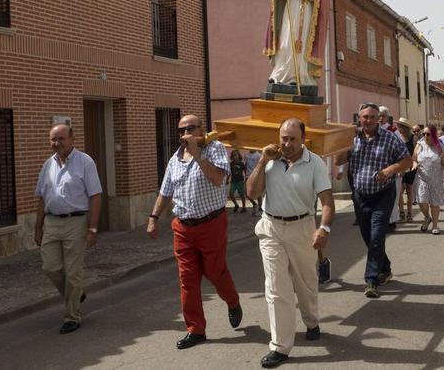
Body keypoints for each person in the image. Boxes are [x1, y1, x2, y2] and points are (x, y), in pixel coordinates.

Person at [147, 114, 242, 350]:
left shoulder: (215, 148)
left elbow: (219, 179)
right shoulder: (174, 159)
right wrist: (153, 218)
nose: (185, 134)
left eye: (190, 128)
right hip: (183, 227)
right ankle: (195, 330)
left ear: (201, 130)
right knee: (187, 280)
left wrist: (198, 154)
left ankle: (232, 302)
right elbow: (165, 192)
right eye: (181, 130)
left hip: (211, 223)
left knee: (215, 272)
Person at [247, 119, 334, 368]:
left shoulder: (314, 162)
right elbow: (252, 193)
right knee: (276, 288)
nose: (286, 143)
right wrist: (263, 160)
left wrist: (324, 228)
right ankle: (280, 347)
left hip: (302, 227)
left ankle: (311, 321)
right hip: (271, 227)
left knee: (306, 283)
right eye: (283, 138)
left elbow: (327, 201)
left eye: (292, 139)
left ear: (303, 139)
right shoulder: (270, 161)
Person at [335, 103, 412, 298]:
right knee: (369, 238)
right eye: (364, 117)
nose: (368, 120)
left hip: (383, 195)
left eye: (372, 117)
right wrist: (345, 142)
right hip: (360, 196)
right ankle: (385, 268)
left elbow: (408, 161)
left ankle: (371, 280)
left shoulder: (389, 139)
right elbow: (337, 161)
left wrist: (389, 170)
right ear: (359, 119)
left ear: (379, 119)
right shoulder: (353, 138)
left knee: (377, 236)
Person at [34, 123, 102, 334]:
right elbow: (41, 197)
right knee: (50, 267)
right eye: (53, 139)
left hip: (76, 222)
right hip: (52, 222)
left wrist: (92, 229)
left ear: (72, 139)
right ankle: (75, 293)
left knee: (73, 272)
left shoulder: (85, 162)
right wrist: (38, 227)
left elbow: (95, 196)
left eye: (61, 138)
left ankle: (72, 316)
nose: (57, 143)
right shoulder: (48, 165)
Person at [412, 124, 444, 234]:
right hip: (421, 178)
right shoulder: (420, 144)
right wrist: (414, 164)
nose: (425, 136)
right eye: (423, 134)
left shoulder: (441, 147)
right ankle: (427, 217)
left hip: (436, 179)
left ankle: (435, 225)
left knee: (434, 203)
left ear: (433, 135)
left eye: (428, 134)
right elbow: (414, 158)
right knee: (421, 200)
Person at [395, 117, 417, 222]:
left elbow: (415, 154)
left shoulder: (413, 138)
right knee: (399, 191)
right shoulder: (396, 138)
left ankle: (409, 213)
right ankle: (401, 212)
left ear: (405, 128)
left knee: (409, 191)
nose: (398, 128)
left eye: (400, 126)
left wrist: (410, 165)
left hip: (411, 167)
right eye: (398, 126)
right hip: (400, 167)